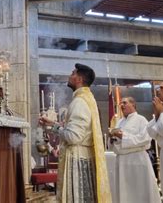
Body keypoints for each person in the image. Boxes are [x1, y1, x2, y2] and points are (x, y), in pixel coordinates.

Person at [39, 63, 110, 202]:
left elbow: (73, 137)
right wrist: (53, 124)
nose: (69, 76)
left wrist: (55, 128)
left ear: (79, 79)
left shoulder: (79, 102)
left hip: (77, 159)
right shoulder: (87, 99)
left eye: (72, 73)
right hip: (82, 156)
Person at [110, 97, 161, 203]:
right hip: (122, 162)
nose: (122, 105)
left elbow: (145, 139)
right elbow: (115, 144)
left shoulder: (141, 120)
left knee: (140, 191)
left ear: (133, 105)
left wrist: (123, 137)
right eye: (121, 103)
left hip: (137, 160)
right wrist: (113, 139)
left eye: (125, 103)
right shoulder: (119, 122)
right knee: (124, 192)